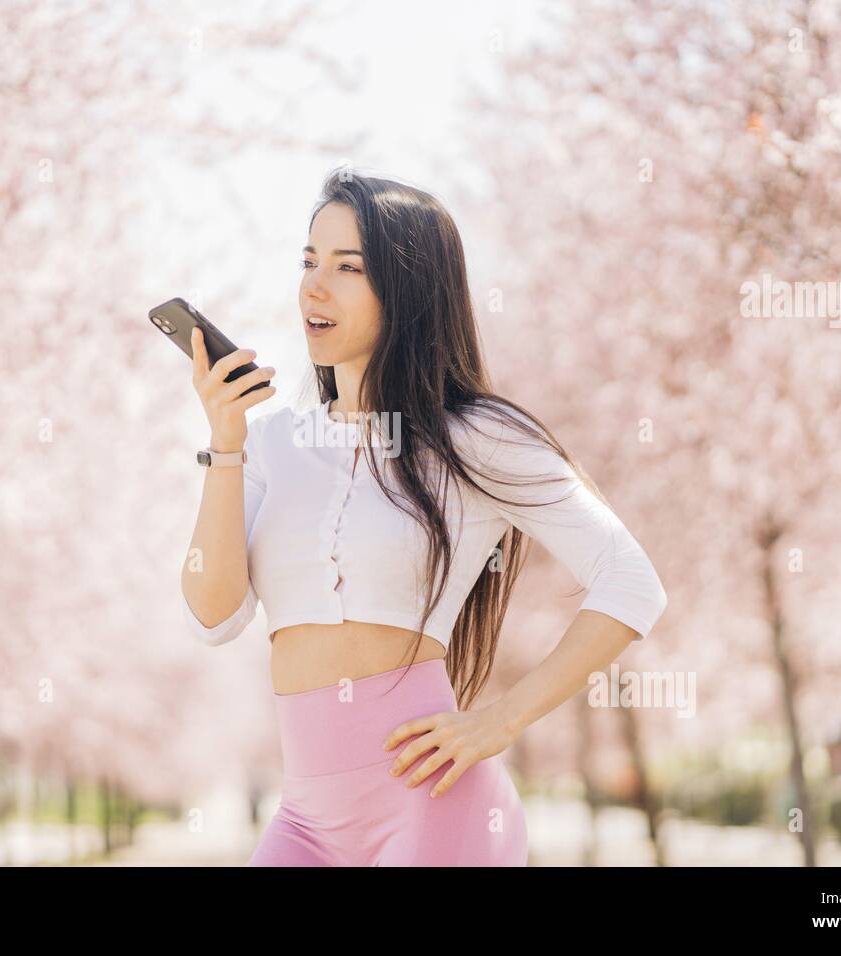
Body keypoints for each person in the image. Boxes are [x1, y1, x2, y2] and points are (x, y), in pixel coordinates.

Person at [180, 167, 668, 867]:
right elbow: (213, 616)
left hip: (433, 807)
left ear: (407, 290)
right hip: (307, 823)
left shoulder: (476, 436)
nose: (315, 286)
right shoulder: (270, 444)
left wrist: (501, 721)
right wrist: (223, 445)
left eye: (348, 267)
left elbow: (630, 579)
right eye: (309, 262)